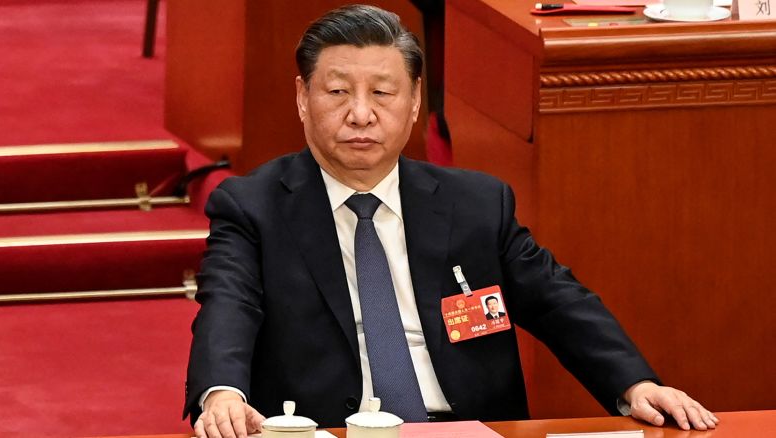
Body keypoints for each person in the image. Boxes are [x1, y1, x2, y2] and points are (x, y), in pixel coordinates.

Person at [185, 5, 719, 438]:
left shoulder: (477, 203)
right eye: (338, 91)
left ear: (415, 102)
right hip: (333, 430)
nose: (361, 114)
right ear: (303, 98)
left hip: (472, 429)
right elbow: (229, 305)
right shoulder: (252, 206)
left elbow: (559, 301)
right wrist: (223, 392)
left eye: (383, 93)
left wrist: (634, 384)